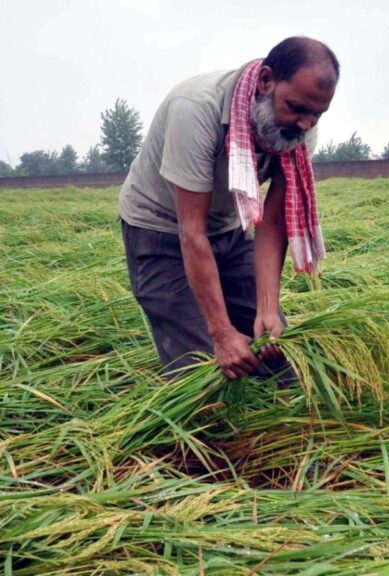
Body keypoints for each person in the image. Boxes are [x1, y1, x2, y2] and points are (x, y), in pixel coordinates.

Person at [119, 36, 337, 380]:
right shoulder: (194, 110)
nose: (306, 124)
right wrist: (220, 332)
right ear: (266, 81)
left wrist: (267, 309)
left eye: (317, 113)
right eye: (296, 107)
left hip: (228, 230)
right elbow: (191, 232)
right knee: (203, 373)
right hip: (161, 231)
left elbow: (273, 223)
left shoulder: (299, 130)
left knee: (279, 355)